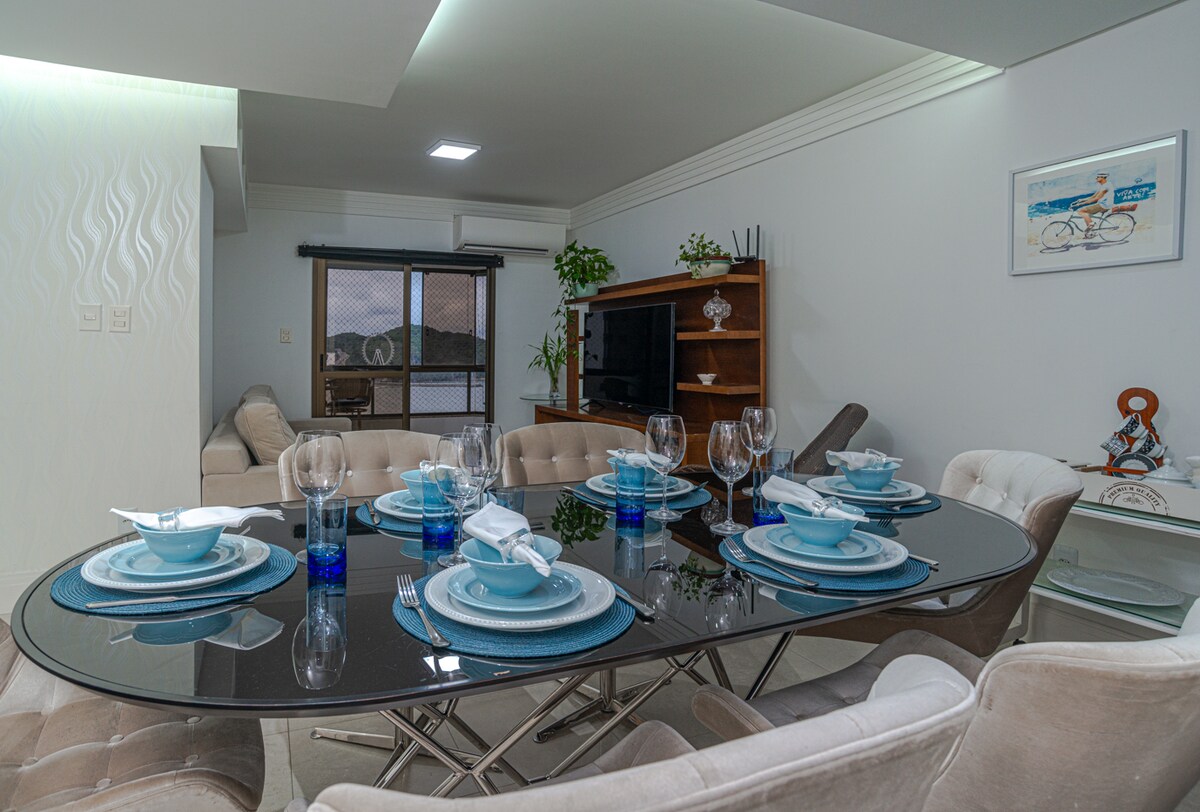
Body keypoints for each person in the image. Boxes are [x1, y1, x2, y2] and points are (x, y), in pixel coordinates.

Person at [1069, 172, 1113, 236]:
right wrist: (1082, 200)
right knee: (1086, 214)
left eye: (1098, 177)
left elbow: (1096, 199)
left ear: (1103, 177)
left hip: (1104, 205)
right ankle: (1090, 231)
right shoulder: (1104, 185)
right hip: (1104, 204)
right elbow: (1093, 196)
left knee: (1081, 211)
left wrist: (1081, 204)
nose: (1096, 178)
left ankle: (1091, 225)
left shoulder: (1105, 187)